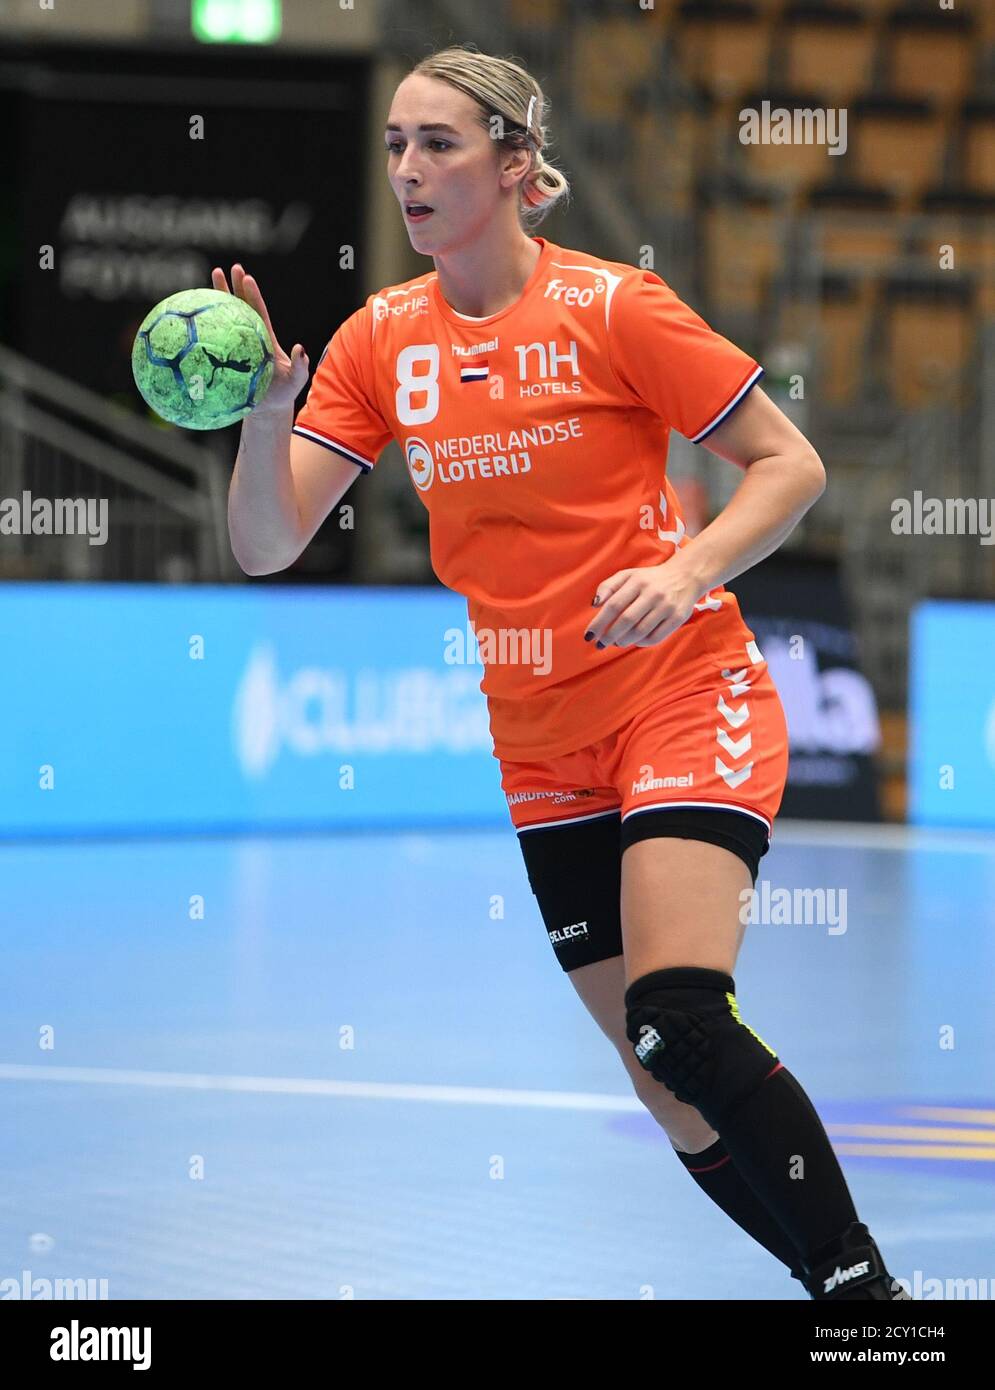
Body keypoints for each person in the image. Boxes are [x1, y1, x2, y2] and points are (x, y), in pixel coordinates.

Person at [219, 43, 906, 1301]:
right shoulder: (381, 341)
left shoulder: (611, 307)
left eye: (438, 143)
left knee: (681, 1014)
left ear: (515, 166)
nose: (409, 170)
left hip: (678, 690)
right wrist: (270, 415)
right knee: (664, 1083)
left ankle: (874, 1308)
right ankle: (844, 1294)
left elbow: (788, 464)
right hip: (539, 741)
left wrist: (687, 568)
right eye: (394, 144)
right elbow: (264, 544)